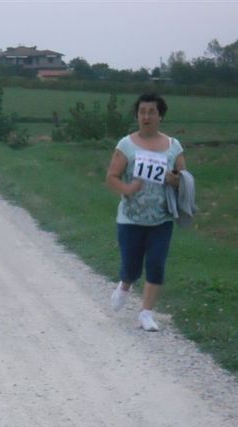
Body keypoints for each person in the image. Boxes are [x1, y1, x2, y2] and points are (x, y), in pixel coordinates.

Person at [105, 92, 186, 332]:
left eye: (152, 112)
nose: (146, 116)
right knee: (131, 265)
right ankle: (125, 284)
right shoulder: (126, 145)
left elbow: (185, 178)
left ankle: (146, 313)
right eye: (142, 112)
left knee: (156, 263)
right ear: (137, 116)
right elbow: (111, 177)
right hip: (131, 218)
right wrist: (128, 189)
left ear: (160, 116)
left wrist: (175, 180)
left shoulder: (173, 146)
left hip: (161, 218)